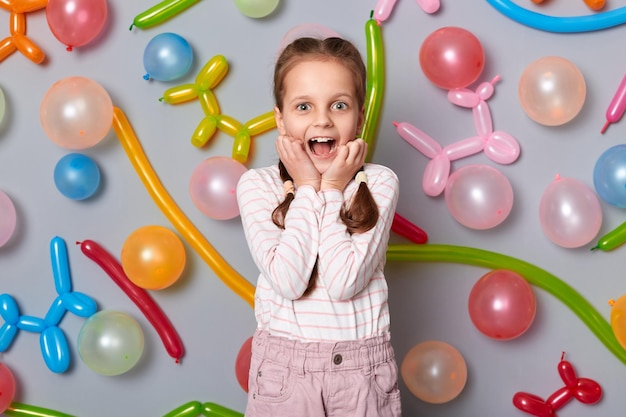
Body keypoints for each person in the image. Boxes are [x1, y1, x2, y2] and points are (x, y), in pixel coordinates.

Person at [236, 35, 401, 417]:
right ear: (281, 119)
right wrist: (308, 187)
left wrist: (329, 189)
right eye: (304, 106)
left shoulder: (379, 183)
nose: (322, 119)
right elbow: (290, 280)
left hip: (362, 374)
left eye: (339, 105)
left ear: (359, 116)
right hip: (284, 372)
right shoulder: (257, 186)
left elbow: (344, 282)